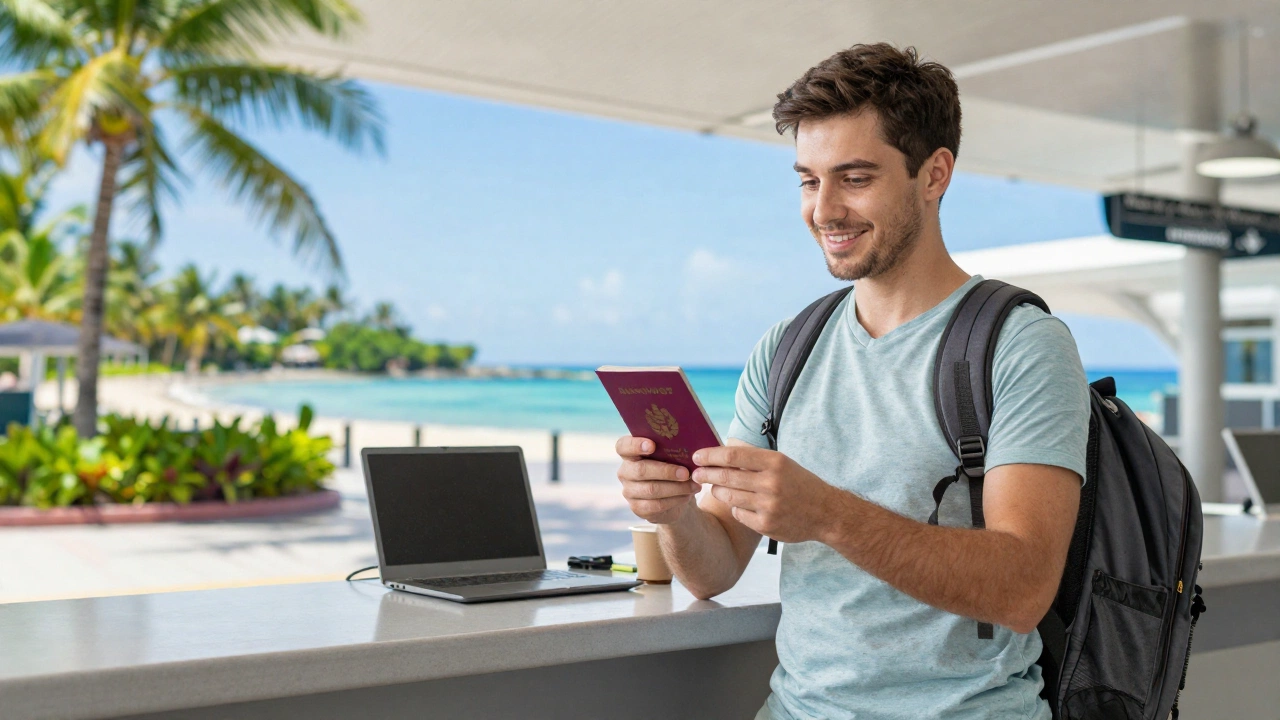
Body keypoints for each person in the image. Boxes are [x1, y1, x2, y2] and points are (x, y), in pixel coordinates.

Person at [614, 43, 1089, 720]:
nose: (824, 209)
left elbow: (1022, 588)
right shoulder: (787, 348)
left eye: (855, 178)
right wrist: (673, 512)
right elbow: (715, 565)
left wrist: (830, 515)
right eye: (808, 180)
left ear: (934, 175)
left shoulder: (1020, 346)